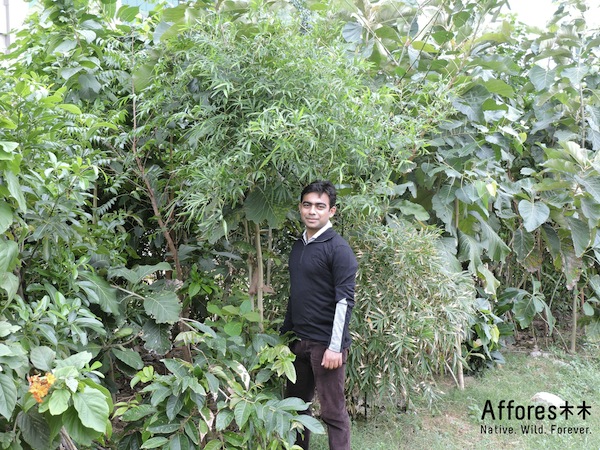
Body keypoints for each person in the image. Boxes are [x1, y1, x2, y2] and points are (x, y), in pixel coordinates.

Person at [281, 180, 358, 450]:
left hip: (327, 347)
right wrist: (285, 338)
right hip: (298, 343)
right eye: (307, 205)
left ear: (331, 211)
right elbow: (297, 293)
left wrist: (335, 347)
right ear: (301, 208)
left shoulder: (338, 250)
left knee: (333, 414)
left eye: (320, 206)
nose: (312, 211)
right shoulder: (299, 246)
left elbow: (344, 301)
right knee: (296, 410)